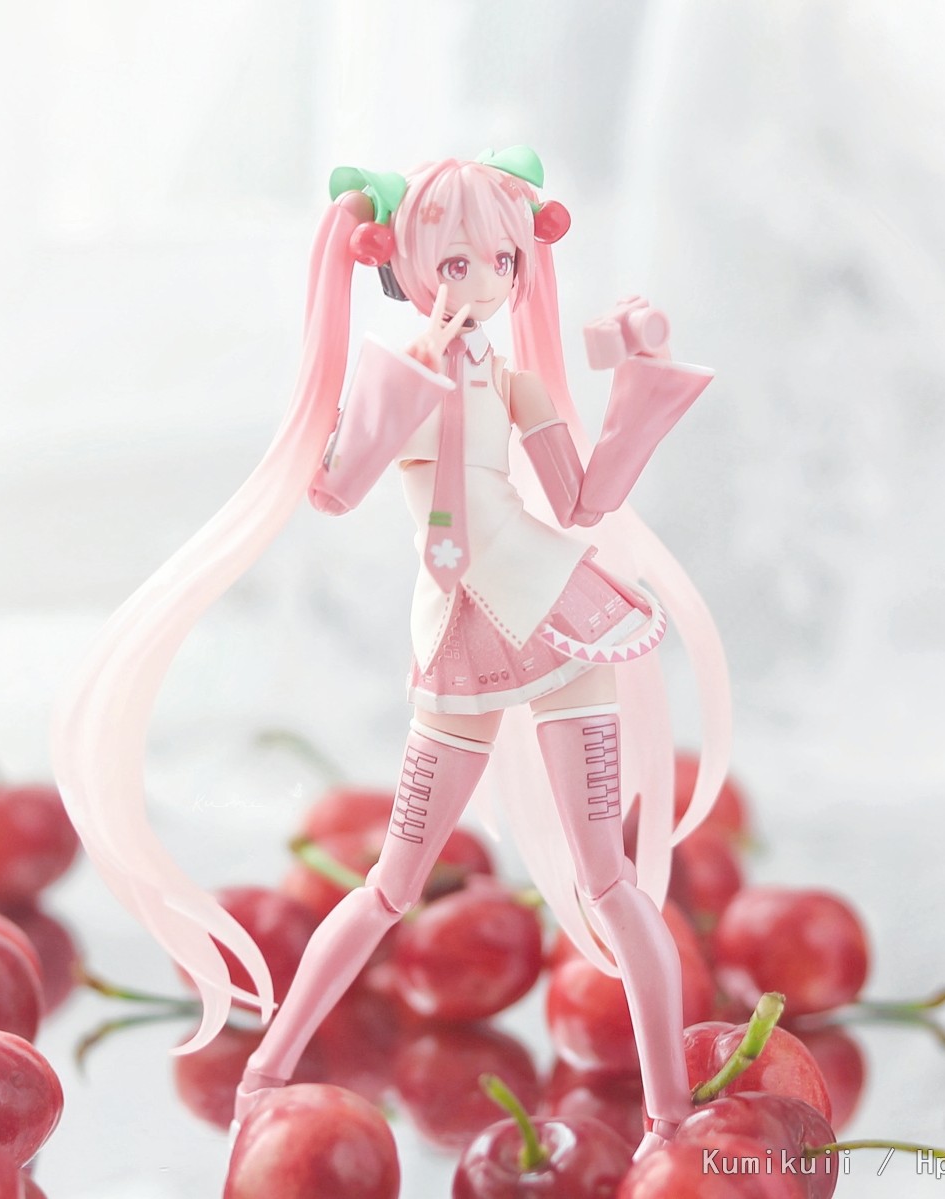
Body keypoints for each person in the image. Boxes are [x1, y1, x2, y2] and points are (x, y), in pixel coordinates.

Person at [52, 147, 731, 1157]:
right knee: (388, 885)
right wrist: (396, 380)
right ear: (402, 266)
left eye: (501, 260)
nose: (483, 282)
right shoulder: (404, 371)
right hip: (459, 638)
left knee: (610, 881)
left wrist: (641, 391)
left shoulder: (515, 383)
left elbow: (584, 499)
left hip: (557, 612)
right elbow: (332, 487)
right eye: (455, 263)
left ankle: (668, 1111)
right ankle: (267, 1068)